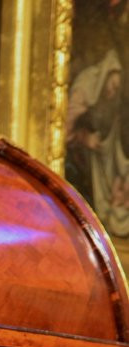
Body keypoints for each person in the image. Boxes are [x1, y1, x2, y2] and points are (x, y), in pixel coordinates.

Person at [66, 47, 129, 237]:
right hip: (75, 160)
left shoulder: (108, 106)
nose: (112, 91)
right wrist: (84, 138)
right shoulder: (84, 90)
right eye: (112, 85)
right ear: (106, 75)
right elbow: (65, 131)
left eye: (117, 89)